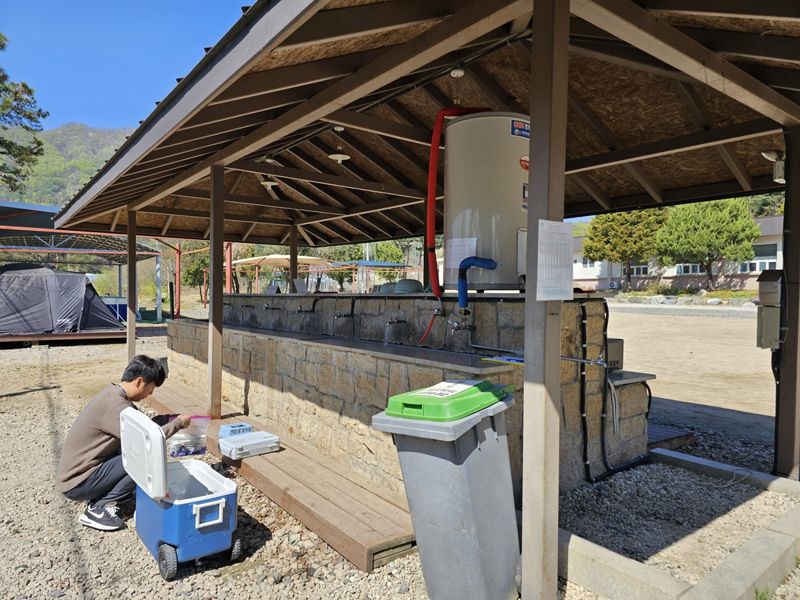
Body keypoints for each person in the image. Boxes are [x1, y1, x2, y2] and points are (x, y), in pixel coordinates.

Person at [57, 355, 190, 531]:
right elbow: (149, 438)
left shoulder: (112, 393)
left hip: (82, 472)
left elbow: (144, 425)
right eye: (150, 390)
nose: (149, 395)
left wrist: (167, 419)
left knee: (133, 451)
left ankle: (107, 492)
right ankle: (99, 507)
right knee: (143, 456)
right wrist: (177, 424)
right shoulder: (117, 407)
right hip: (77, 482)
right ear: (139, 381)